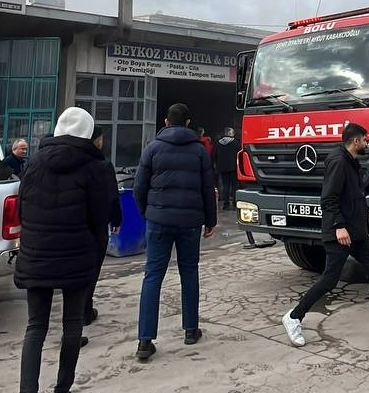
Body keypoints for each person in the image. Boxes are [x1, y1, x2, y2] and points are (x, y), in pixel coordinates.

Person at [14, 107, 118, 393]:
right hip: (77, 255)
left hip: (35, 254)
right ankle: (63, 386)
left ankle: (27, 389)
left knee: (35, 326)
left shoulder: (34, 163)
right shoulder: (94, 167)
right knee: (72, 324)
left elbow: (22, 209)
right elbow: (99, 219)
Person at [281, 123, 369, 348]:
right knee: (330, 279)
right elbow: (329, 198)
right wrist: (339, 227)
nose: (367, 143)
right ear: (355, 141)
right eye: (364, 139)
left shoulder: (351, 162)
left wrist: (368, 213)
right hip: (342, 233)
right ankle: (294, 317)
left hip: (358, 232)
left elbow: (352, 196)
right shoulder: (339, 162)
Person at [133, 103, 217, 361]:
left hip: (158, 221)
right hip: (190, 222)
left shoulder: (152, 148)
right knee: (189, 272)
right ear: (188, 123)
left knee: (153, 276)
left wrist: (148, 212)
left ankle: (145, 341)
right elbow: (207, 186)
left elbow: (139, 186)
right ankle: (191, 330)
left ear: (166, 122)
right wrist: (210, 220)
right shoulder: (199, 151)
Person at [84, 125, 122, 332]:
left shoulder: (63, 161)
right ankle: (85, 309)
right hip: (96, 225)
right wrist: (116, 219)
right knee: (92, 268)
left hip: (70, 225)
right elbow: (112, 195)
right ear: (97, 140)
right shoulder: (102, 165)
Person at [213, 127, 240, 210]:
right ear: (231, 133)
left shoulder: (218, 143)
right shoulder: (236, 142)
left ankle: (226, 204)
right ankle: (235, 203)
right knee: (235, 185)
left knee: (225, 185)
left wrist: (216, 165)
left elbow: (214, 155)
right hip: (233, 167)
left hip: (222, 167)